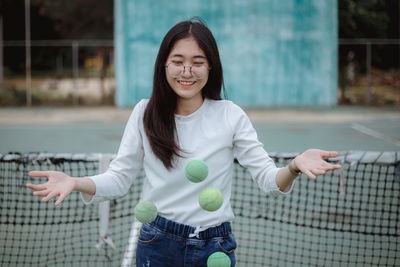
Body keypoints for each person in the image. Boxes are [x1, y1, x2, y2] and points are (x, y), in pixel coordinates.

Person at [26, 18, 342, 266]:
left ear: (211, 66)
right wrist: (75, 181)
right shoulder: (143, 113)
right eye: (178, 61)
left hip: (215, 245)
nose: (186, 71)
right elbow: (119, 179)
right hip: (157, 243)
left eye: (197, 61)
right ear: (164, 64)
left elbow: (269, 180)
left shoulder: (230, 115)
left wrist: (293, 166)